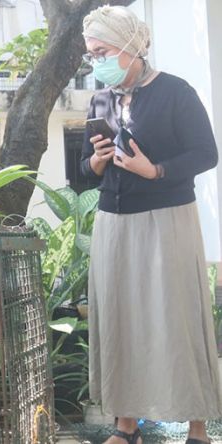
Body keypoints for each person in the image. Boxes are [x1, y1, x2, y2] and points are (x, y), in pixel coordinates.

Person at [80, 6, 222, 444]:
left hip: (166, 221)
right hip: (113, 224)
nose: (96, 61)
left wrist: (154, 171)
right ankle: (127, 426)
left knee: (175, 318)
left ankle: (197, 428)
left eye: (101, 51)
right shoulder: (100, 100)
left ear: (128, 48)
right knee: (119, 319)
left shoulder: (177, 92)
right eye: (90, 55)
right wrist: (96, 163)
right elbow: (82, 172)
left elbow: (205, 154)